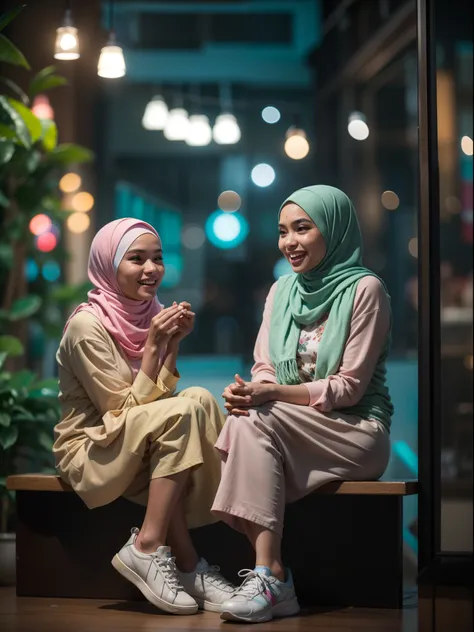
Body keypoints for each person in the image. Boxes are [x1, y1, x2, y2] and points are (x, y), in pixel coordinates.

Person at [212, 185, 394, 624]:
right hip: (294, 426)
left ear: (333, 231)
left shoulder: (367, 290)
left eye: (302, 229)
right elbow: (265, 368)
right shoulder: (281, 292)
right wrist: (256, 390)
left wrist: (271, 395)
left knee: (254, 420)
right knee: (245, 419)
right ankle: (268, 573)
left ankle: (272, 579)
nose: (289, 241)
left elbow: (348, 388)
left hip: (355, 432)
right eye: (282, 231)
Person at [53, 218, 235, 615]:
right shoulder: (87, 326)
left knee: (200, 399)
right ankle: (147, 546)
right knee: (186, 409)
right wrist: (154, 345)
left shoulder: (148, 313)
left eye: (157, 259)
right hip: (92, 450)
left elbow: (160, 407)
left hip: (131, 443)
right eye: (136, 259)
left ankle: (186, 565)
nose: (151, 269)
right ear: (108, 264)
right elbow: (120, 414)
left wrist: (171, 346)